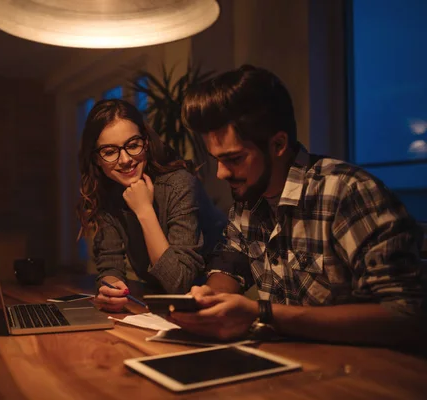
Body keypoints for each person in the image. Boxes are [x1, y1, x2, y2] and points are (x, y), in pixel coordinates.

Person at [170, 65, 426, 346]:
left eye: (234, 159)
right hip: (295, 366)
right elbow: (231, 265)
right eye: (216, 159)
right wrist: (208, 299)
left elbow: (407, 316)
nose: (221, 173)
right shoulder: (248, 199)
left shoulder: (346, 192)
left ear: (278, 144)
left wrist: (264, 313)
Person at [77, 99, 227, 312]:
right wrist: (109, 289)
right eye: (110, 151)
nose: (126, 159)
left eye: (133, 145)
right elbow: (109, 264)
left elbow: (180, 282)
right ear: (97, 159)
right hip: (162, 305)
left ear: (146, 143)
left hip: (211, 301)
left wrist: (144, 210)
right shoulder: (108, 192)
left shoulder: (179, 184)